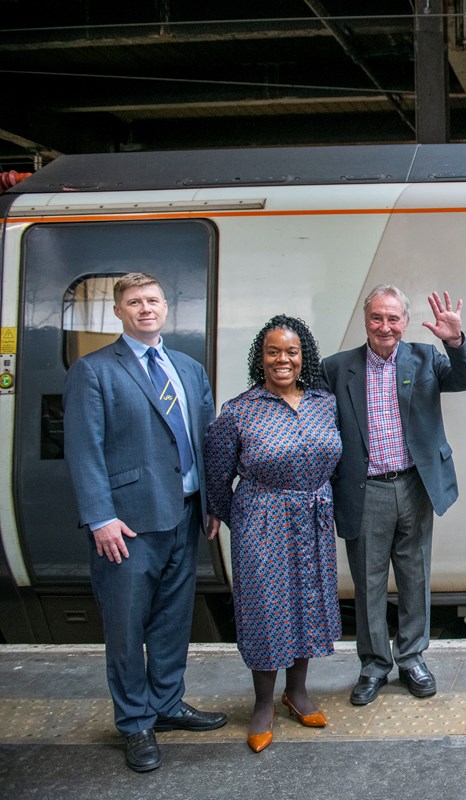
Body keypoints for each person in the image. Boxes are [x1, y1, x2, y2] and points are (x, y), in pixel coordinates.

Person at [62, 272, 227, 773]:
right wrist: (100, 517)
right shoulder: (93, 371)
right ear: (119, 311)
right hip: (127, 524)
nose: (145, 308)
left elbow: (208, 440)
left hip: (184, 514)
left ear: (166, 307)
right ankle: (135, 722)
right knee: (126, 626)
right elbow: (83, 450)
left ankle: (168, 703)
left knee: (173, 620)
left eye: (153, 300)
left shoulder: (188, 368)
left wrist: (213, 501)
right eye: (134, 302)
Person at [322, 286, 466, 705]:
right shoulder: (337, 368)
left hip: (415, 484)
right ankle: (374, 666)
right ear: (365, 319)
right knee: (369, 582)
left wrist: (455, 341)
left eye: (393, 319)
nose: (385, 327)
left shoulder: (425, 358)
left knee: (415, 575)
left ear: (405, 322)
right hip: (365, 487)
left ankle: (412, 658)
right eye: (377, 318)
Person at [204, 315, 342, 752]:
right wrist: (246, 522)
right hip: (261, 524)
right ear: (260, 358)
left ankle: (296, 693)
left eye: (292, 351)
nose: (283, 359)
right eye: (273, 351)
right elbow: (217, 482)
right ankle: (263, 703)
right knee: (266, 611)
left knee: (305, 605)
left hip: (313, 518)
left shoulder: (325, 403)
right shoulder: (238, 411)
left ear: (305, 358)